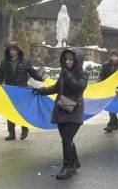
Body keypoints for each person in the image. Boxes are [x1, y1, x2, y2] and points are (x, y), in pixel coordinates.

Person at [35, 48, 88, 179]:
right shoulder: (64, 73)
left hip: (75, 109)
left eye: (71, 59)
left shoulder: (83, 74)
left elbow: (78, 88)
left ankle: (67, 167)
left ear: (77, 60)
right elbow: (56, 88)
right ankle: (74, 163)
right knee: (66, 139)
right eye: (67, 59)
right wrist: (42, 90)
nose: (68, 62)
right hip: (62, 107)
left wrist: (68, 75)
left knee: (66, 139)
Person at [0, 42, 45, 140]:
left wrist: (41, 78)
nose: (12, 52)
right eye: (10, 50)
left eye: (14, 49)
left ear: (18, 51)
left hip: (22, 91)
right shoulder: (4, 62)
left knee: (23, 111)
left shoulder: (25, 62)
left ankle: (24, 130)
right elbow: (0, 76)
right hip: (10, 91)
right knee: (10, 111)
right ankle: (11, 133)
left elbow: (33, 73)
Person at [100, 49, 118, 132]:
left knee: (114, 105)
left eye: (115, 56)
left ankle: (112, 124)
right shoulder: (105, 65)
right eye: (112, 56)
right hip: (109, 88)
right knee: (111, 105)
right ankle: (113, 124)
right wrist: (98, 83)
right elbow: (102, 75)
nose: (113, 58)